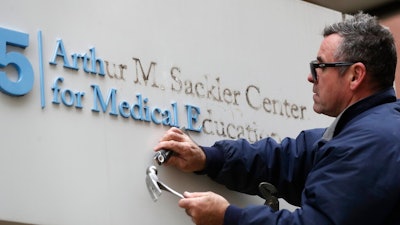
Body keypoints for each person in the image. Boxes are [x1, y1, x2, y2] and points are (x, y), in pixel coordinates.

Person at [153, 12, 400, 225]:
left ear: (355, 75)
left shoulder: (369, 143)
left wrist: (229, 218)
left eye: (320, 66)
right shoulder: (367, 132)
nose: (311, 77)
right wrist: (208, 158)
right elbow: (286, 161)